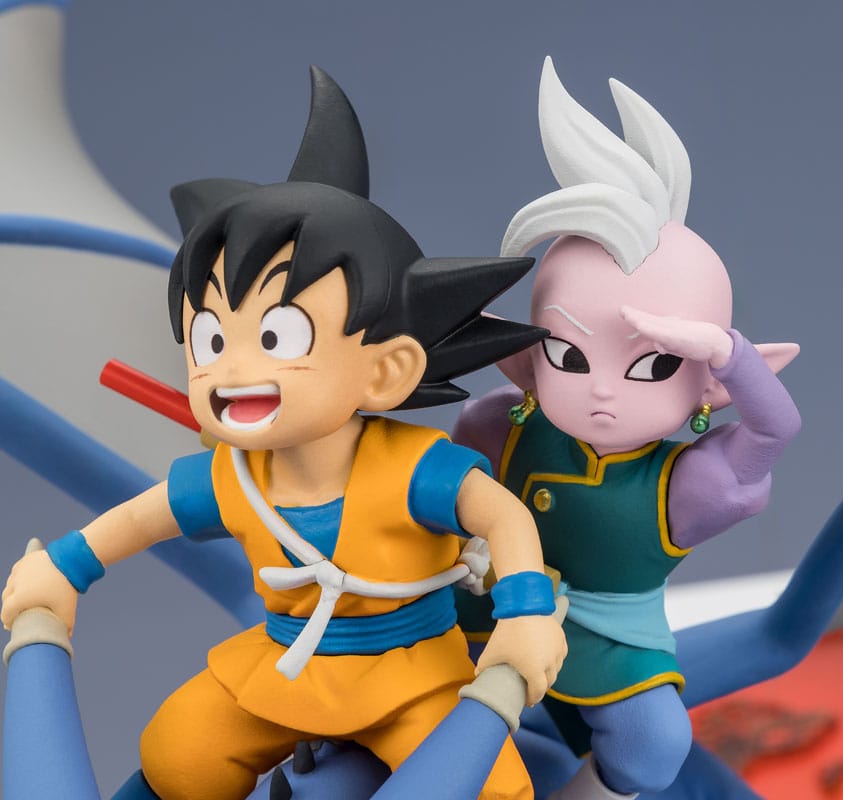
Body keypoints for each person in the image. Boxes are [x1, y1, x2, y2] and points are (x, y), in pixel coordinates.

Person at [1, 66, 566, 800]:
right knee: (179, 757)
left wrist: (524, 613)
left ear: (388, 370)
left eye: (277, 336)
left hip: (412, 674)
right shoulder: (236, 475)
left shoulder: (410, 468)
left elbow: (502, 515)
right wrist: (65, 567)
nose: (231, 370)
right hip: (284, 666)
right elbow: (143, 519)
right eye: (210, 340)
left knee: (488, 789)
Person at [454, 58, 800, 800]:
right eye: (569, 355)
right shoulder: (496, 426)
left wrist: (727, 354)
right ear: (529, 356)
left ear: (707, 388)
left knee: (654, 742)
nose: (602, 390)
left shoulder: (689, 486)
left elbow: (774, 432)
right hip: (483, 611)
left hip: (608, 640)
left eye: (652, 365)